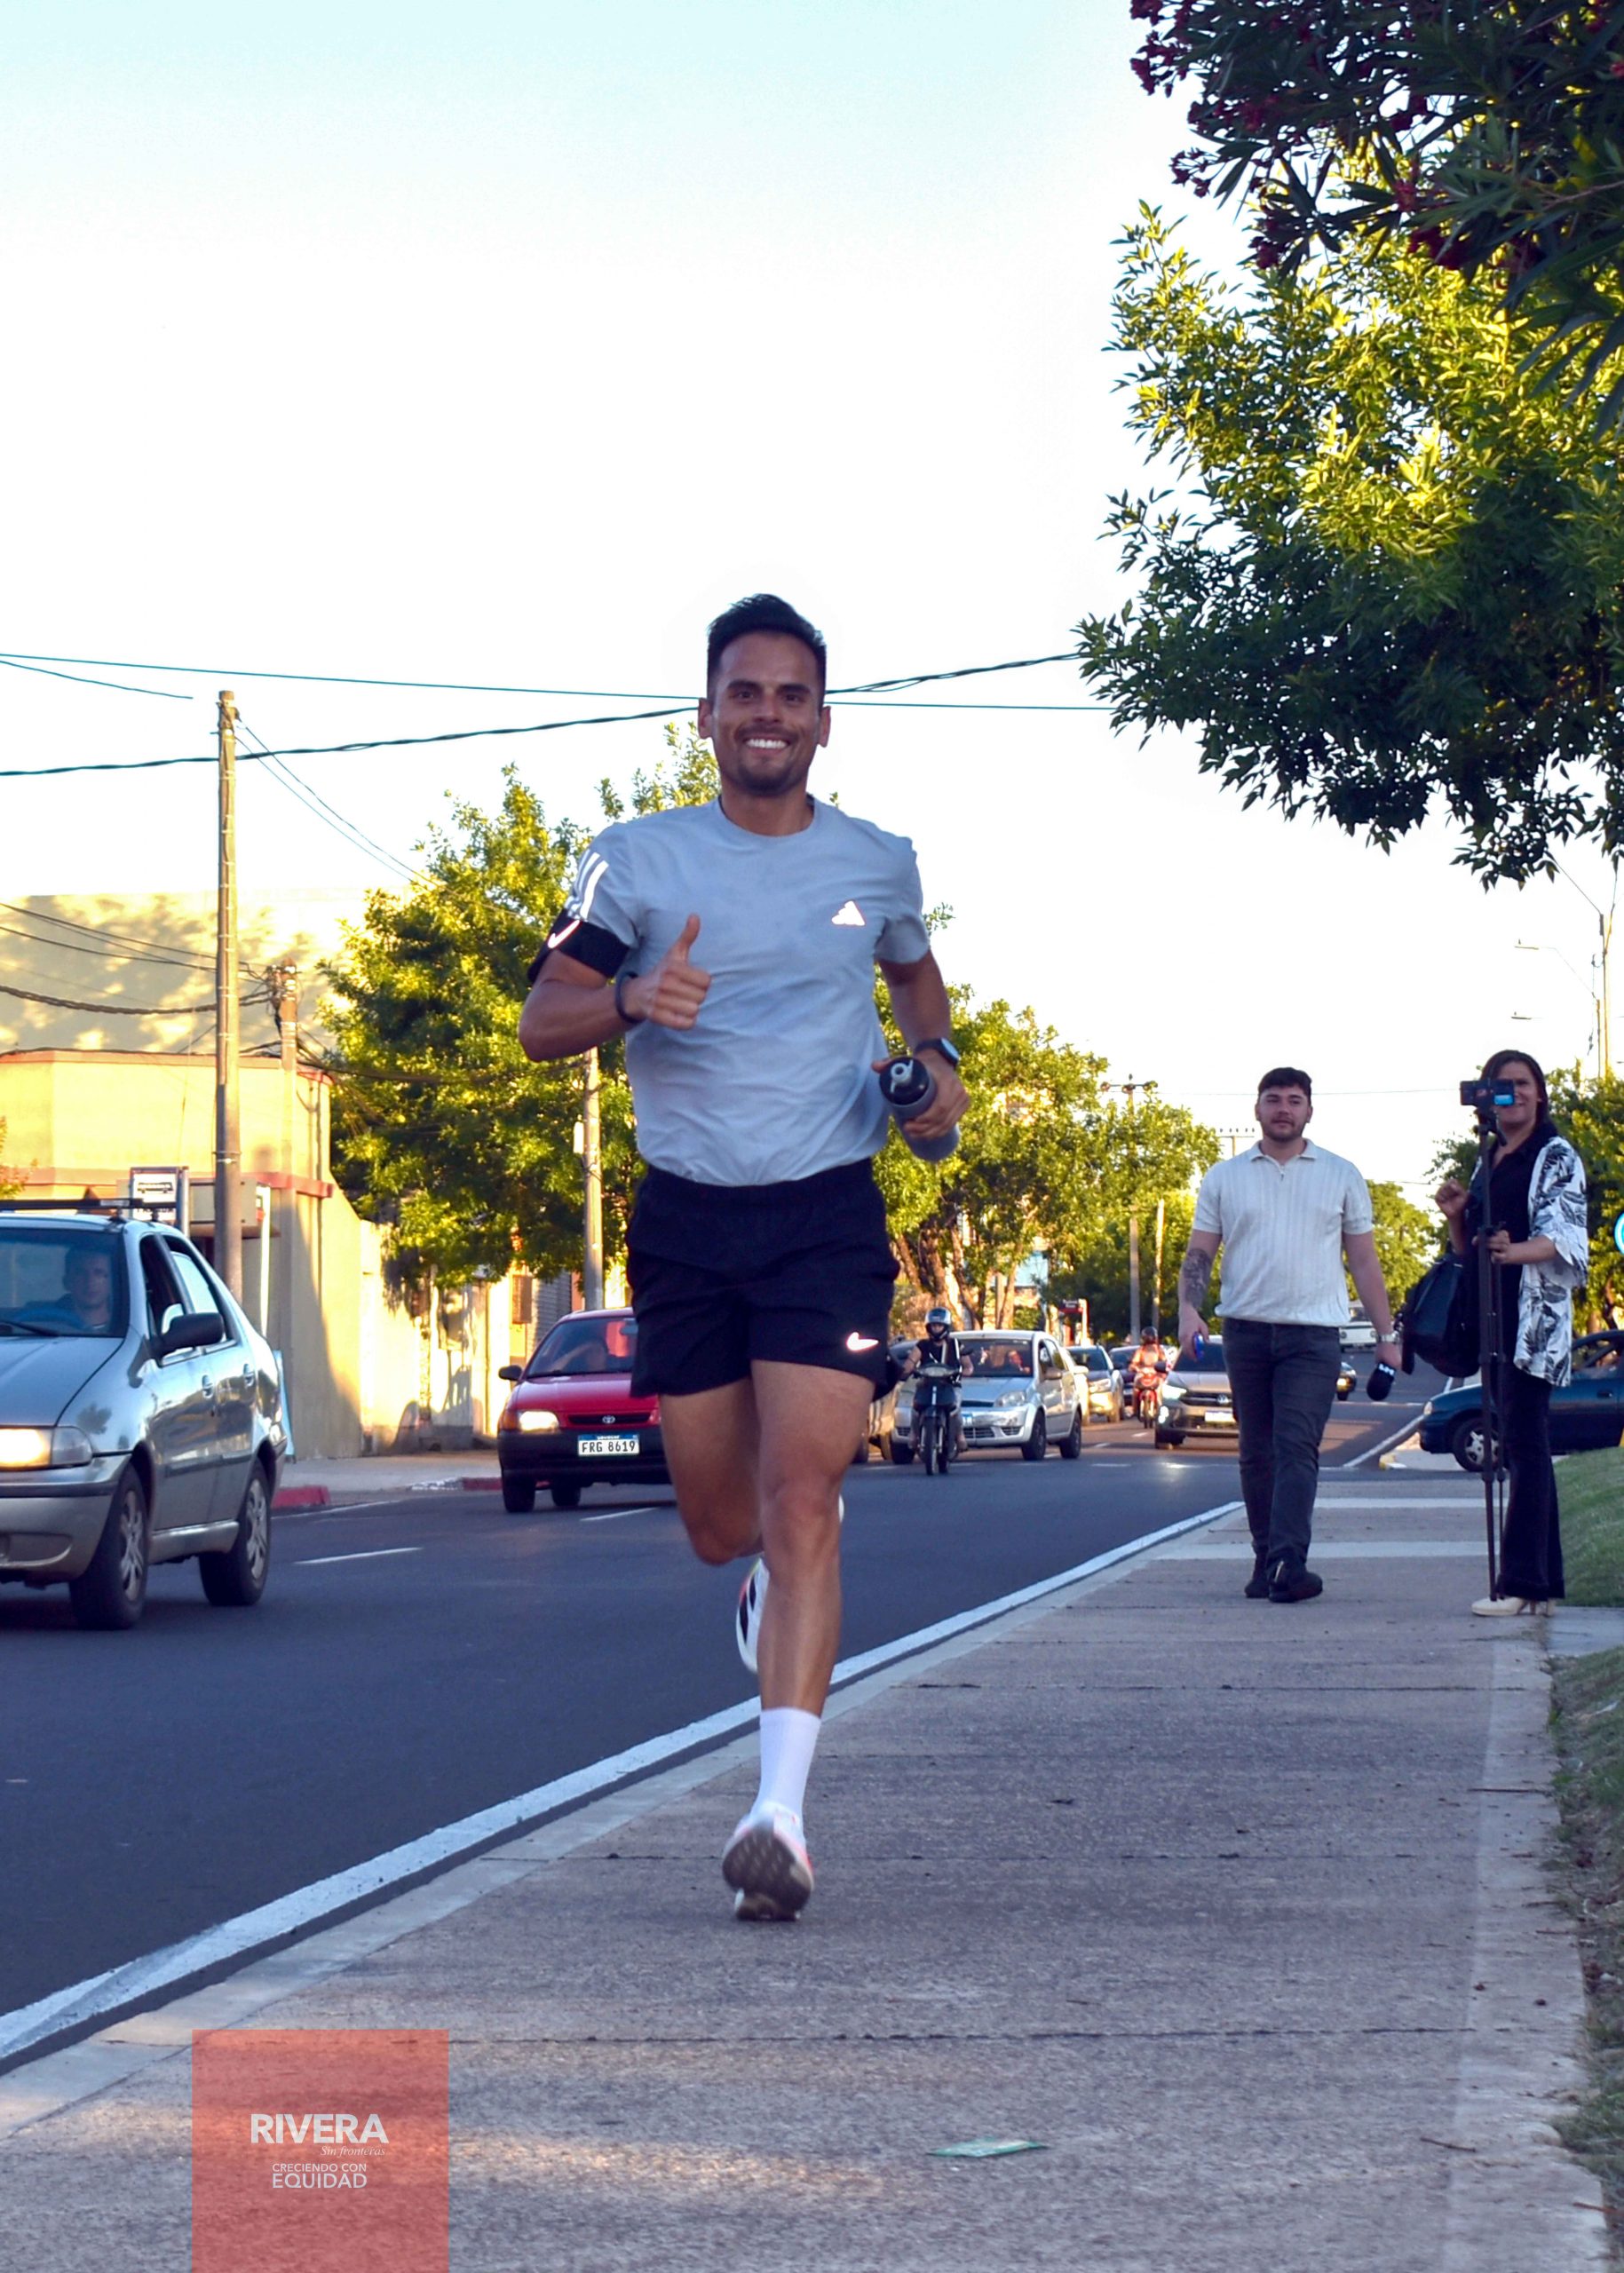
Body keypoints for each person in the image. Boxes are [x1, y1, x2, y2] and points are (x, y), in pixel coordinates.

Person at [518, 593, 968, 1921]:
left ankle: (780, 1813)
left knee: (804, 1493)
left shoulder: (878, 861)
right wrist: (628, 998)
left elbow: (916, 979)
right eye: (744, 694)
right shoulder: (634, 862)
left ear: (823, 721)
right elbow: (541, 1018)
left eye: (790, 695)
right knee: (724, 1525)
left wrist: (932, 1062)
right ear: (706, 715)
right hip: (688, 1219)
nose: (767, 715)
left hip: (826, 1212)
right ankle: (765, 1578)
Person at [1177, 1067, 1401, 1604]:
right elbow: (1201, 1251)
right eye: (1273, 1099)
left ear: (1309, 1111)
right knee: (1256, 1452)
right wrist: (1188, 1310)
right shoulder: (1224, 1177)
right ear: (1257, 1109)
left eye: (1295, 1100)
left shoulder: (1341, 1175)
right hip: (1246, 1331)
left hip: (1314, 1336)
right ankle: (1266, 1560)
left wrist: (1386, 1334)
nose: (1284, 1108)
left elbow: (1364, 1261)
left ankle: (1288, 1563)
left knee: (1296, 1446)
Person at [1434, 1049, 1588, 1617]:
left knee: (1525, 1443)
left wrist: (1513, 1250)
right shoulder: (1489, 1158)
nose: (1513, 1094)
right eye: (1502, 1086)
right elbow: (1470, 1250)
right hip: (1491, 1320)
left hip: (1532, 1324)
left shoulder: (1555, 1156)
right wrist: (1458, 1216)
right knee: (1524, 1444)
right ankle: (1541, 1584)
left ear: (1540, 1093)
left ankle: (1523, 1583)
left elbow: (1567, 1238)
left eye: (1522, 1084)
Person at [900, 1304, 971, 1454]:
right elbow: (911, 1361)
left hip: (950, 1385)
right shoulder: (922, 1345)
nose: (936, 1329)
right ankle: (913, 1434)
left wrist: (963, 1372)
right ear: (928, 1327)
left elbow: (968, 1366)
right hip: (926, 1384)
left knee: (955, 1408)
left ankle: (960, 1436)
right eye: (934, 1326)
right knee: (916, 1407)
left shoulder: (956, 1345)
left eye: (939, 1325)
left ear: (946, 1327)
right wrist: (906, 1370)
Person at [1126, 1328, 1166, 1418]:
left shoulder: (1159, 1350)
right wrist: (1135, 1368)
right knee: (1136, 1389)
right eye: (1148, 1336)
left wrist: (1162, 1369)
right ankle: (1135, 1409)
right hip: (1143, 1373)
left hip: (1156, 1374)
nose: (1149, 1338)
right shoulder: (1141, 1350)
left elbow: (1164, 1361)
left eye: (1151, 1336)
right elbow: (1134, 1362)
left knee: (1160, 1389)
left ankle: (1161, 1409)